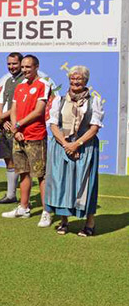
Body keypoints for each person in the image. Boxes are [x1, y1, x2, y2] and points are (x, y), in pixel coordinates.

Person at [45, 66, 103, 237]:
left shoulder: (94, 101)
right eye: (73, 78)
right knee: (61, 183)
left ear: (86, 81)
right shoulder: (59, 100)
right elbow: (53, 125)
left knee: (85, 184)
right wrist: (66, 144)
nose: (76, 81)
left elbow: (94, 127)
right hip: (62, 146)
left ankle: (89, 223)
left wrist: (76, 144)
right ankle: (64, 222)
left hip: (85, 147)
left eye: (80, 79)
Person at [2, 55, 52, 227]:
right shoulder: (20, 86)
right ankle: (24, 207)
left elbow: (39, 111)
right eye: (22, 67)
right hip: (19, 136)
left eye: (28, 67)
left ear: (36, 67)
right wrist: (16, 130)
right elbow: (14, 109)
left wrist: (18, 125)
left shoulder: (43, 85)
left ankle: (46, 212)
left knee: (41, 175)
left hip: (35, 136)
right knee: (23, 172)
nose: (24, 70)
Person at [0, 52, 24, 204]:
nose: (11, 67)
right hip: (4, 125)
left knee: (20, 161)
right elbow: (0, 101)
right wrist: (1, 118)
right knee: (8, 160)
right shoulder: (7, 80)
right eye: (9, 64)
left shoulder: (25, 81)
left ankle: (23, 199)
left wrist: (3, 116)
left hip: (16, 126)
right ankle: (11, 195)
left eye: (14, 64)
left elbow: (19, 106)